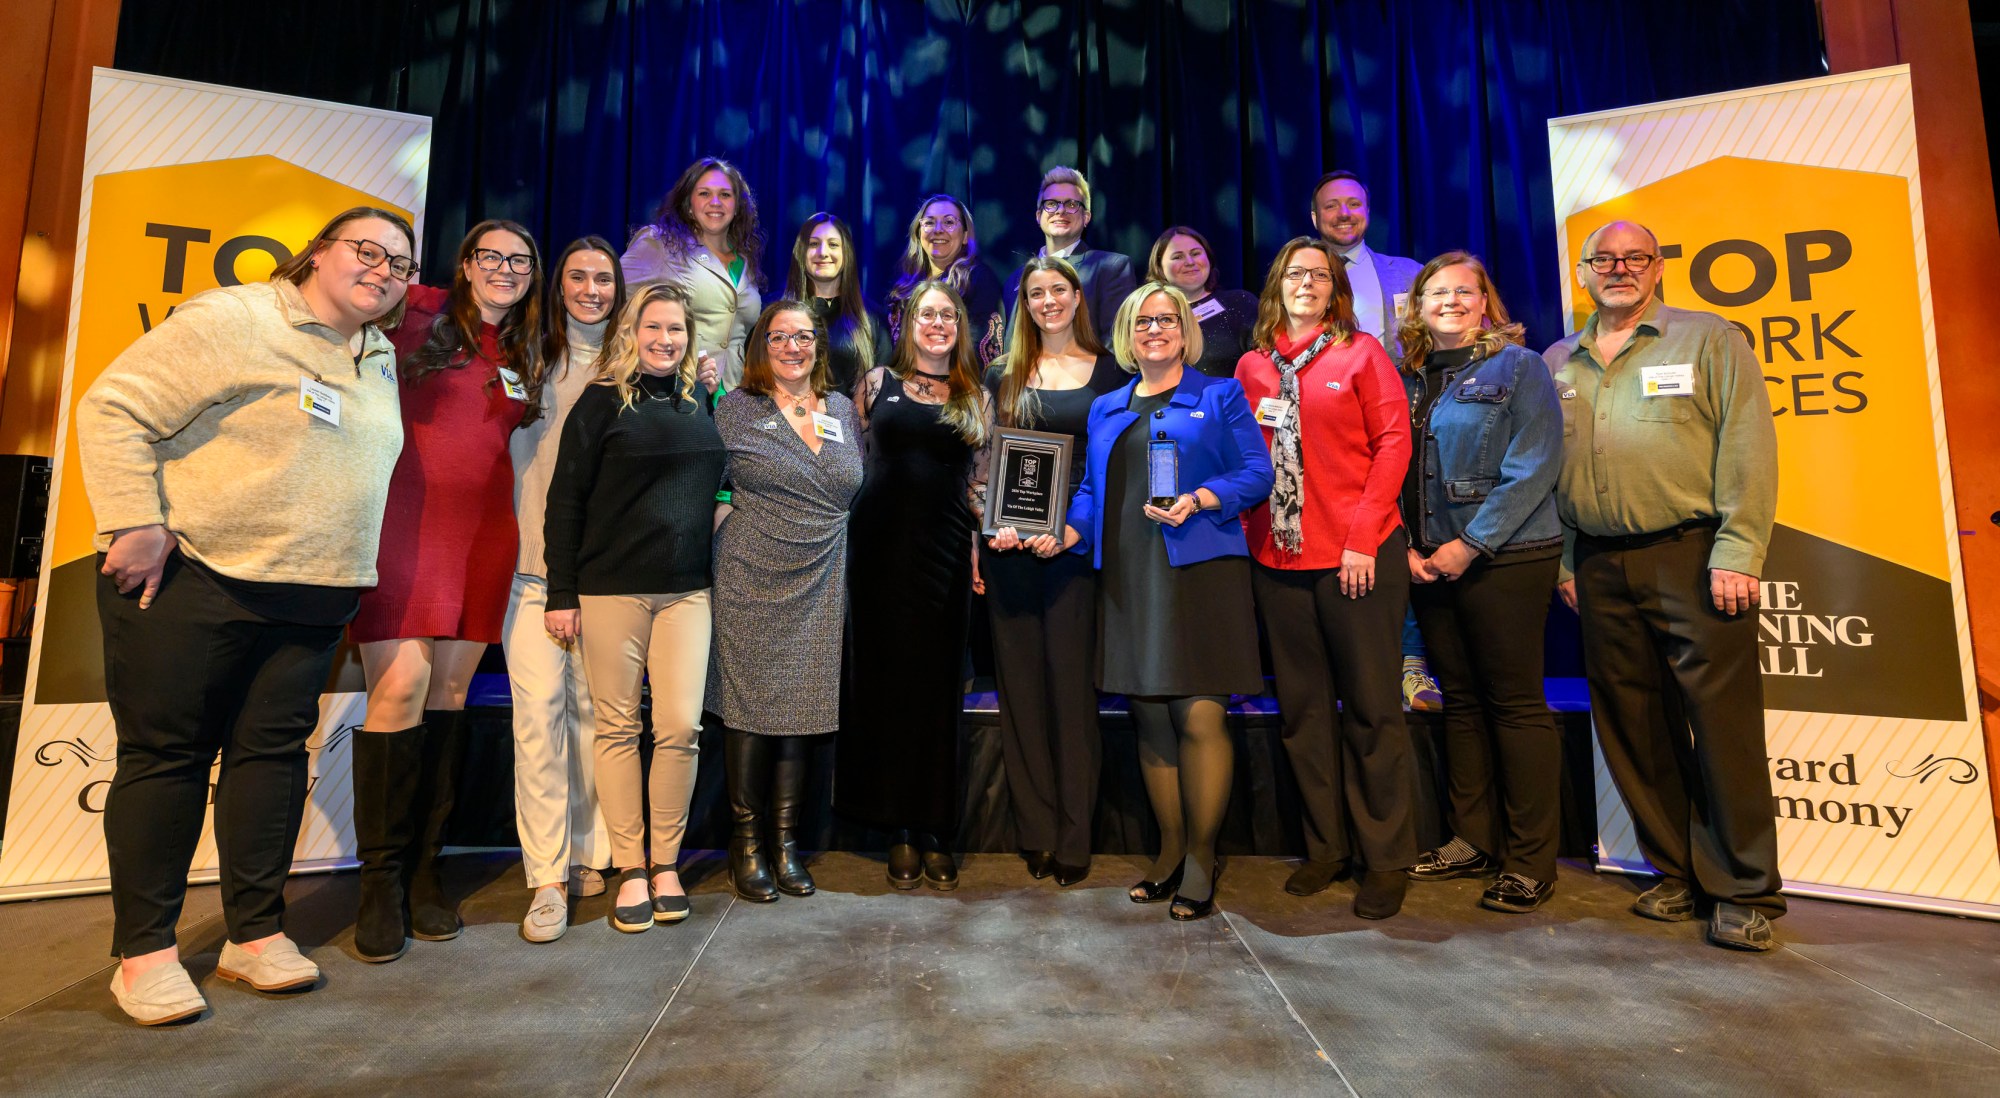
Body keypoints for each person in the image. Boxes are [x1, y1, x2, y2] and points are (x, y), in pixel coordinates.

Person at [80, 206, 414, 1024]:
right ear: (316, 255)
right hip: (199, 580)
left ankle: (254, 935)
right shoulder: (236, 317)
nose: (382, 270)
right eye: (366, 250)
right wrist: (135, 519)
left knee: (269, 762)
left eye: (400, 264)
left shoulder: (377, 354)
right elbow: (114, 406)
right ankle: (146, 953)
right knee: (167, 759)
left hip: (311, 594)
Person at [1547, 221, 1782, 951]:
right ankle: (1678, 871)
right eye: (1604, 259)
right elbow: (1549, 472)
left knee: (1721, 727)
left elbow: (1748, 444)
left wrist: (1739, 551)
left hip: (1693, 551)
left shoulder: (1708, 339)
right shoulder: (1560, 359)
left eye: (1634, 258)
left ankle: (1744, 890)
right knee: (1632, 725)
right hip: (1597, 563)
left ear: (1657, 268)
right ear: (1584, 272)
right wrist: (1565, 563)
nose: (1619, 268)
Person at [1044, 282, 1273, 921]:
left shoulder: (1219, 394)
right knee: (1149, 719)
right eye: (1143, 321)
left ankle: (1203, 857)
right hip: (1129, 573)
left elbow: (1257, 473)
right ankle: (1171, 851)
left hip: (1200, 570)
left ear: (1185, 330)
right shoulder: (1107, 406)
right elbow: (1091, 489)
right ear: (1126, 333)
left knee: (1199, 716)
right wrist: (1066, 530)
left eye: (1167, 319)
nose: (1155, 330)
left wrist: (1200, 498)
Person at [349, 219, 540, 964]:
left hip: (485, 534)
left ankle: (425, 875)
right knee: (399, 689)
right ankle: (379, 883)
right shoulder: (415, 308)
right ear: (463, 264)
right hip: (404, 522)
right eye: (490, 255)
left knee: (448, 700)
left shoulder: (526, 345)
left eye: (519, 260)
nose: (504, 268)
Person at [1236, 236, 1419, 920]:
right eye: (1294, 273)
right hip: (1279, 563)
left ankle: (1386, 858)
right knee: (1304, 713)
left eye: (1319, 274)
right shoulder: (1253, 367)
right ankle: (1325, 847)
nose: (1306, 283)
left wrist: (1363, 538)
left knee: (1372, 710)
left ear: (1336, 288)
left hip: (1357, 558)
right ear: (1276, 286)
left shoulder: (1362, 353)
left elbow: (1393, 444)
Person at [543, 282, 727, 933]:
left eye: (676, 330)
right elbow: (565, 500)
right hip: (610, 589)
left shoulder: (700, 399)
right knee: (618, 730)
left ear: (689, 336)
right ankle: (630, 870)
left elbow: (720, 481)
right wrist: (561, 593)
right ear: (632, 331)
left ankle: (666, 864)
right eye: (653, 328)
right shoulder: (599, 402)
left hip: (687, 593)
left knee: (679, 728)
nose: (665, 340)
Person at [1395, 252, 1565, 914]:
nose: (1452, 301)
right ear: (1417, 305)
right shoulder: (1407, 375)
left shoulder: (1519, 367)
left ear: (1485, 300)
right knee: (1460, 699)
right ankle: (1473, 838)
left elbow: (1535, 465)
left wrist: (1470, 545)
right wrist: (1413, 550)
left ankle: (1529, 860)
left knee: (1515, 702)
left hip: (1508, 555)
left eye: (1465, 291)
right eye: (1438, 292)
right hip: (1427, 561)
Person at [836, 281, 990, 891]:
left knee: (936, 688)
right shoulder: (876, 383)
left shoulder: (977, 396)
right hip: (876, 552)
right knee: (885, 686)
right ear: (909, 324)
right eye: (927, 314)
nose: (937, 324)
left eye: (947, 315)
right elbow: (851, 462)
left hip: (946, 554)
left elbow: (980, 483)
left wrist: (978, 542)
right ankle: (899, 829)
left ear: (961, 325)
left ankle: (935, 827)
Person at [709, 301, 865, 902]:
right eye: (780, 337)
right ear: (761, 345)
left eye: (805, 337)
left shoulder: (845, 414)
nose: (794, 347)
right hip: (751, 574)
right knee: (749, 708)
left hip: (822, 574)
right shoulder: (735, 411)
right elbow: (709, 486)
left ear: (819, 346)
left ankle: (786, 842)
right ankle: (746, 844)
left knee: (802, 707)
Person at [982, 258, 1125, 885]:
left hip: (1075, 551)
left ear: (1077, 296)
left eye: (1057, 290)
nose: (1047, 301)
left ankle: (1074, 835)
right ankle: (1035, 831)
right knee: (1021, 697)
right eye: (1035, 292)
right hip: (1010, 550)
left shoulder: (1110, 372)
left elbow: (1116, 469)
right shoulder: (1001, 374)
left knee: (1071, 696)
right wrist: (991, 524)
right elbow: (984, 467)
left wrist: (1072, 530)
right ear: (1025, 303)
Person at [505, 237, 621, 943]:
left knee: (592, 722)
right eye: (577, 276)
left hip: (606, 579)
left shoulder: (636, 364)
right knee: (538, 718)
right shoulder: (527, 360)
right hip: (532, 574)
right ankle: (545, 878)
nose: (590, 289)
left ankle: (587, 853)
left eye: (603, 278)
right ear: (558, 286)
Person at [1309, 169, 1442, 711]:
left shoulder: (1408, 274)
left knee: (1400, 539)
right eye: (1332, 206)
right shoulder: (1298, 276)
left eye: (1354, 204)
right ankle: (1344, 670)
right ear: (1313, 217)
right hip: (1325, 436)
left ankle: (1412, 662)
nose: (1344, 214)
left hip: (1398, 426)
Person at [621, 156, 765, 391]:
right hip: (676, 390)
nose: (715, 202)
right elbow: (615, 300)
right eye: (704, 194)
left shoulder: (746, 261)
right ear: (688, 203)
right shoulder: (660, 243)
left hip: (733, 395)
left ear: (738, 206)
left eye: (725, 195)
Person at [1003, 166, 1138, 346]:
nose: (1060, 211)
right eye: (1051, 204)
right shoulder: (1015, 279)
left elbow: (1116, 347)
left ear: (1086, 217)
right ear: (1038, 215)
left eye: (1071, 204)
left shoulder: (1111, 268)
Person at [884, 194, 1006, 365]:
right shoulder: (905, 285)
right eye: (929, 222)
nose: (938, 229)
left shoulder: (979, 280)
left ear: (965, 236)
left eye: (948, 222)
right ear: (919, 233)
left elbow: (981, 351)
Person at [784, 213, 883, 394]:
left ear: (846, 253)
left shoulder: (873, 318)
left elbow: (883, 391)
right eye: (814, 244)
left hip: (853, 421)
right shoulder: (775, 311)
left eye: (833, 245)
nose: (823, 252)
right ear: (801, 251)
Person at [1148, 226, 1257, 378]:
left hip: (1232, 400)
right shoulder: (1149, 318)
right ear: (1160, 268)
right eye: (1178, 257)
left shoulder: (1240, 303)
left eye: (1196, 253)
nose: (1190, 262)